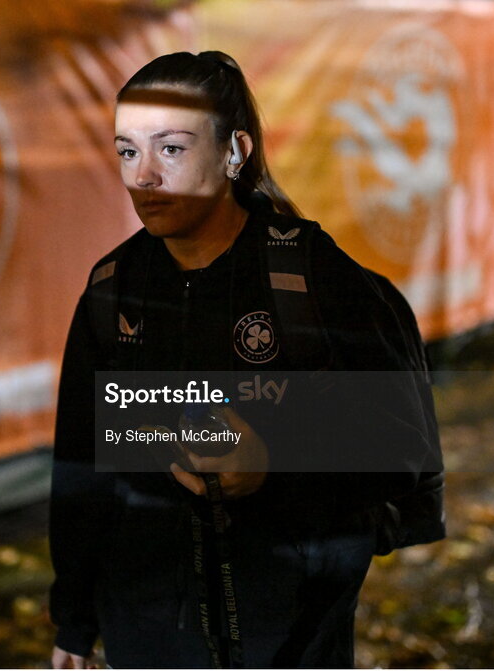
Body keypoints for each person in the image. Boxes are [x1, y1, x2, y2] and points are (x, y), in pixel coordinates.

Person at [49, 51, 444, 669]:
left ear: (235, 152)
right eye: (128, 151)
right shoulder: (112, 290)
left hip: (293, 633)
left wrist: (273, 458)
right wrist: (73, 622)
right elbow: (82, 464)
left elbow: (402, 450)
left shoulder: (311, 276)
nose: (143, 177)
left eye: (170, 149)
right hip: (147, 630)